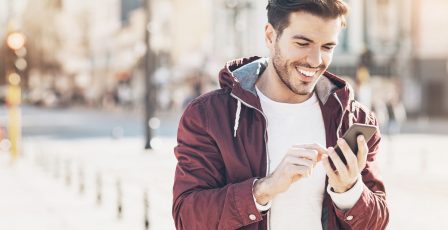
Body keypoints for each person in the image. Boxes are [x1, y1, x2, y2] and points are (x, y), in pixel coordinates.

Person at [172, 0, 389, 229]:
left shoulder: (354, 120)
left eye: (327, 47)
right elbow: (187, 217)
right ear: (270, 36)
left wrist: (350, 192)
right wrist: (264, 189)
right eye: (302, 43)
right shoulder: (209, 116)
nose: (315, 60)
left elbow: (377, 222)